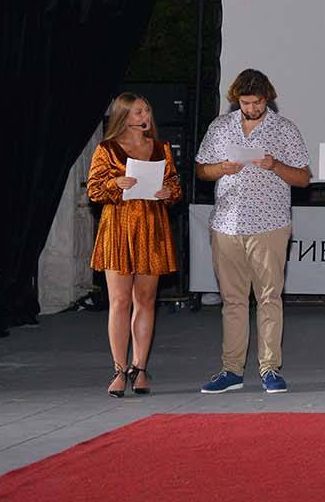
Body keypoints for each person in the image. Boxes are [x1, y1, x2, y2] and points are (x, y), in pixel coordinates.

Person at [195, 69, 311, 394]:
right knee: (233, 301)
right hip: (227, 224)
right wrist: (221, 168)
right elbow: (202, 170)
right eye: (245, 103)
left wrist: (275, 165)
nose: (252, 108)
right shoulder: (220, 127)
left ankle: (269, 368)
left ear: (267, 98)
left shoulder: (284, 129)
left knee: (269, 298)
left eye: (257, 102)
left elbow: (304, 178)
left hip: (269, 224)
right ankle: (231, 370)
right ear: (237, 100)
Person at [86, 93, 182, 397]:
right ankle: (119, 369)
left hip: (151, 228)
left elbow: (175, 186)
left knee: (146, 300)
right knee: (119, 301)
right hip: (118, 228)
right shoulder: (107, 149)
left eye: (147, 110)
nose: (146, 116)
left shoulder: (161, 148)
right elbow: (93, 190)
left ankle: (140, 368)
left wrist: (168, 192)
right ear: (124, 116)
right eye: (139, 112)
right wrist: (115, 184)